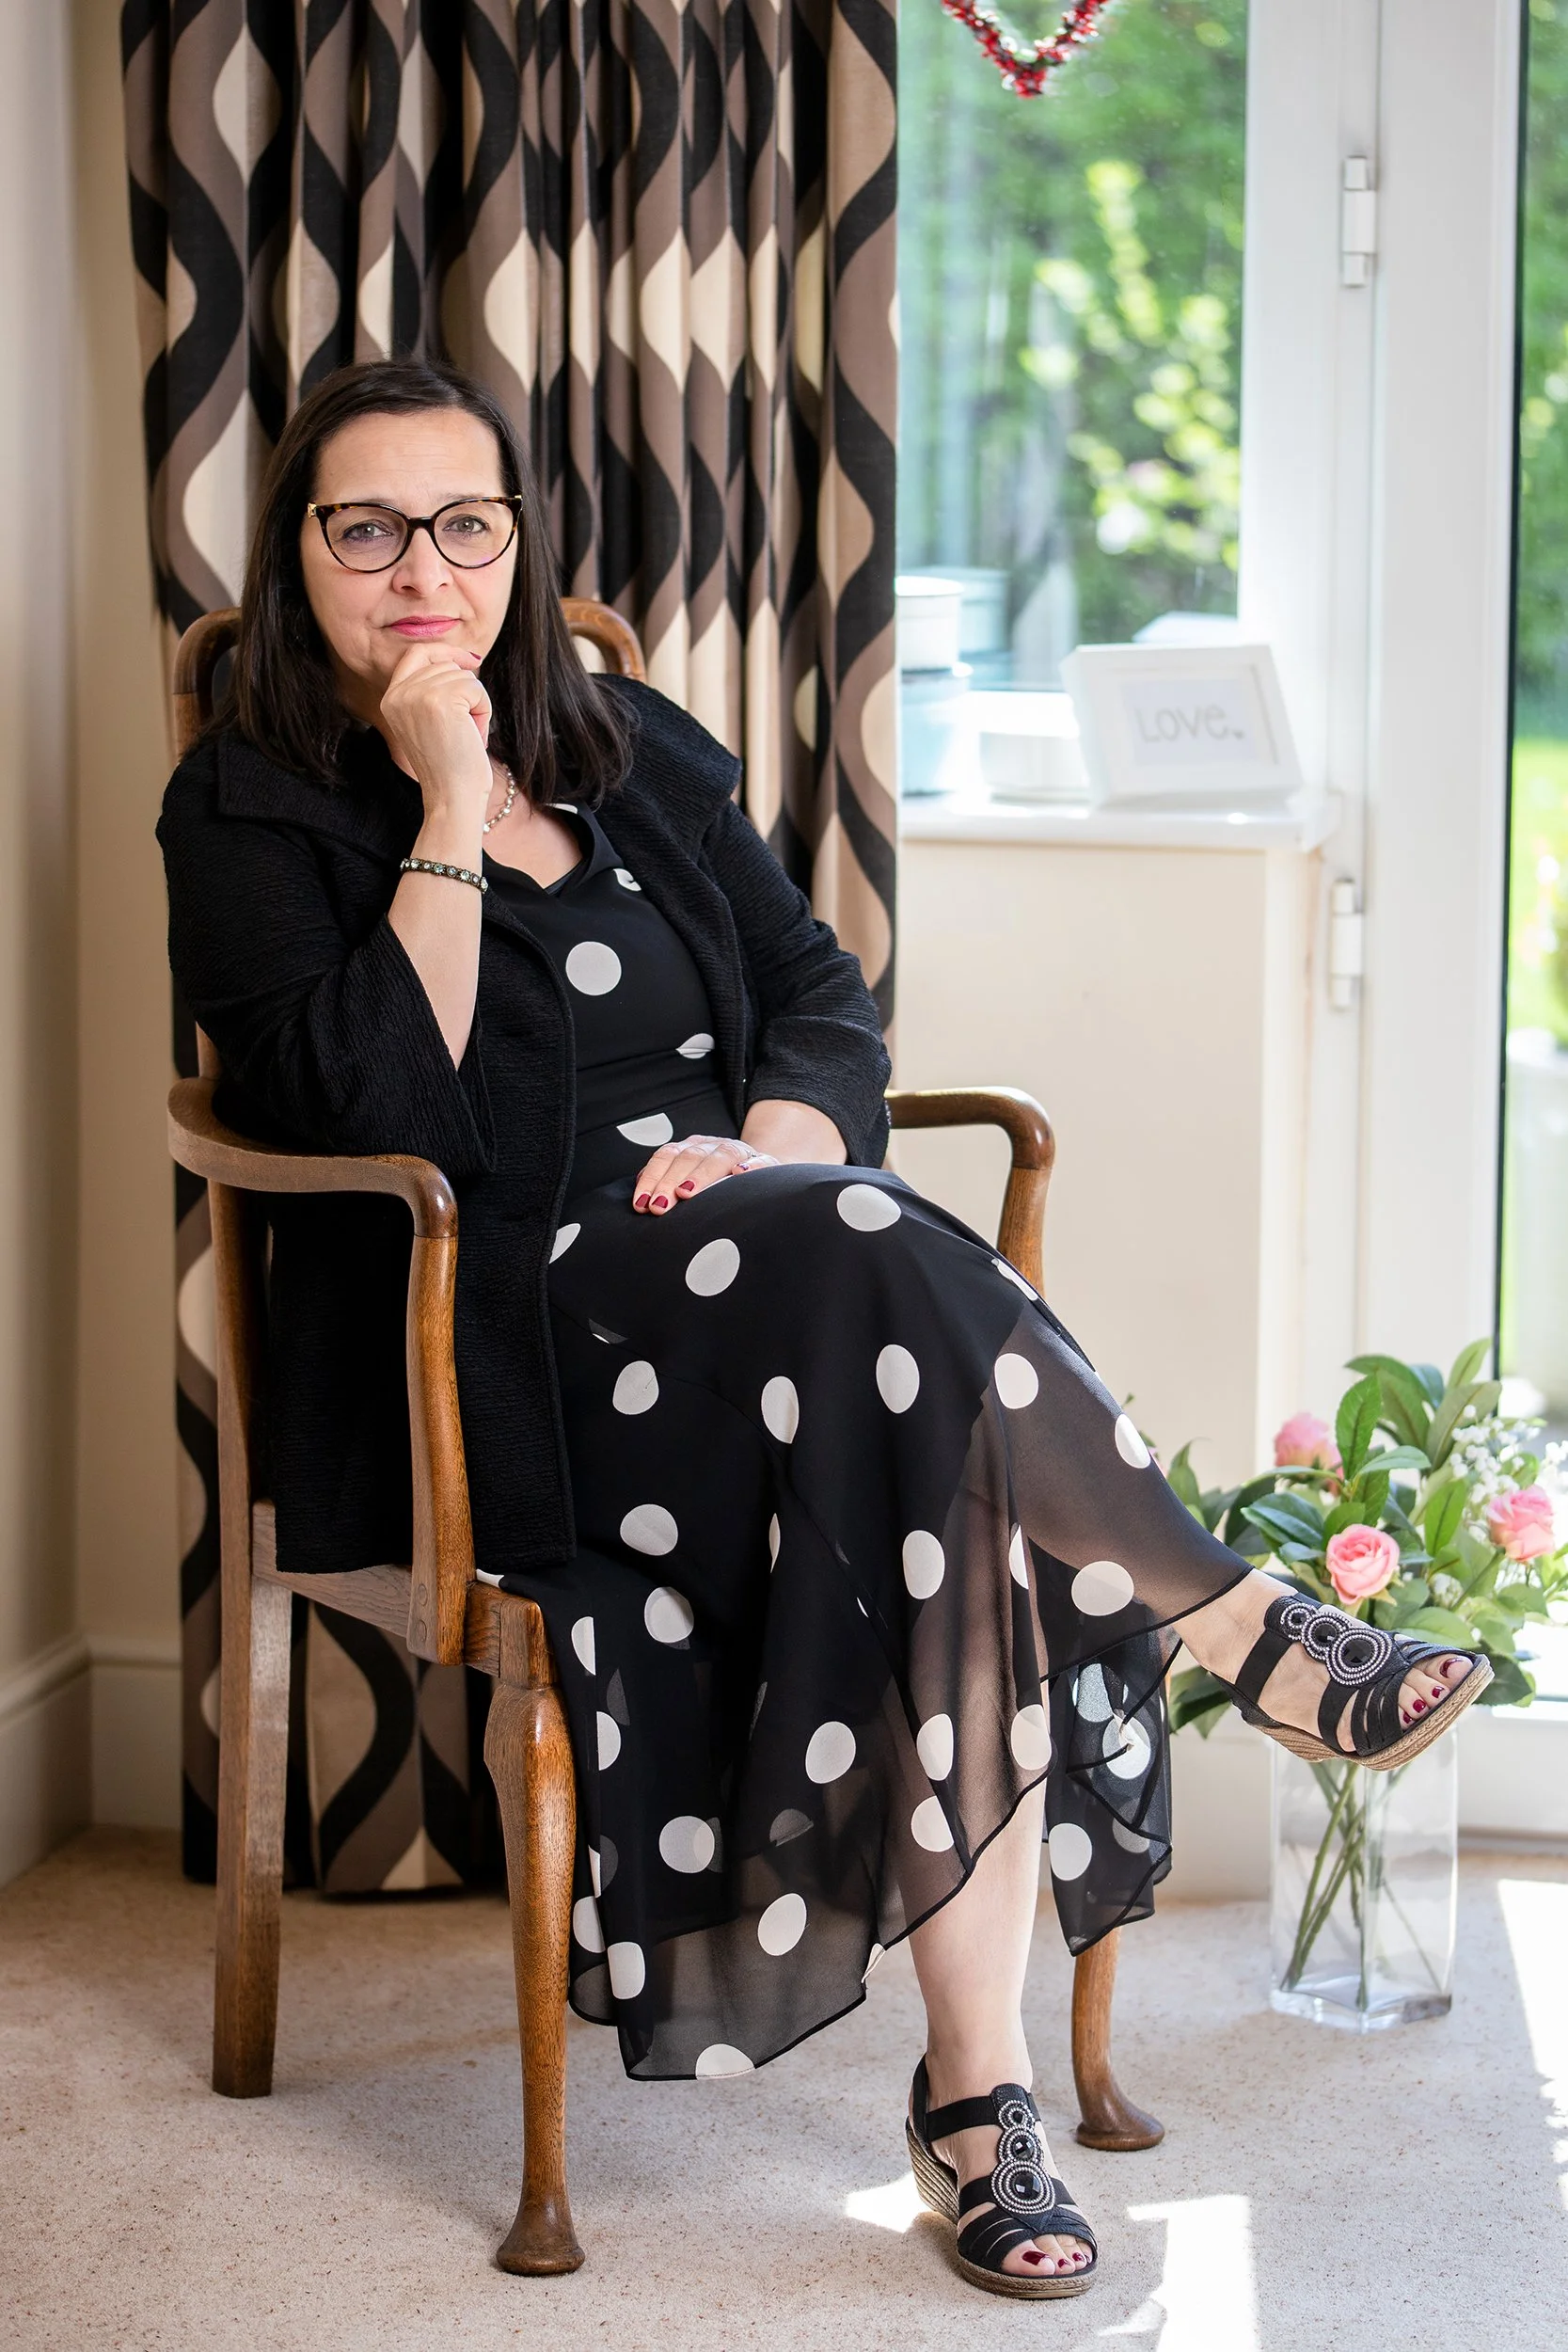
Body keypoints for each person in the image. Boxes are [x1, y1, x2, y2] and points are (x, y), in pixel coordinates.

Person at [157, 358, 1488, 2301]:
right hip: (502, 1336)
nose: (424, 572)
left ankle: (982, 2085)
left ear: (520, 543)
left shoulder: (623, 746)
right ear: (298, 553)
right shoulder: (246, 801)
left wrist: (765, 1147)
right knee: (893, 1304)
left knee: (924, 1414)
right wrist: (441, 798)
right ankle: (1222, 1639)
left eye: (467, 524)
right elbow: (371, 1106)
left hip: (771, 1272)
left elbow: (815, 995)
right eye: (368, 529)